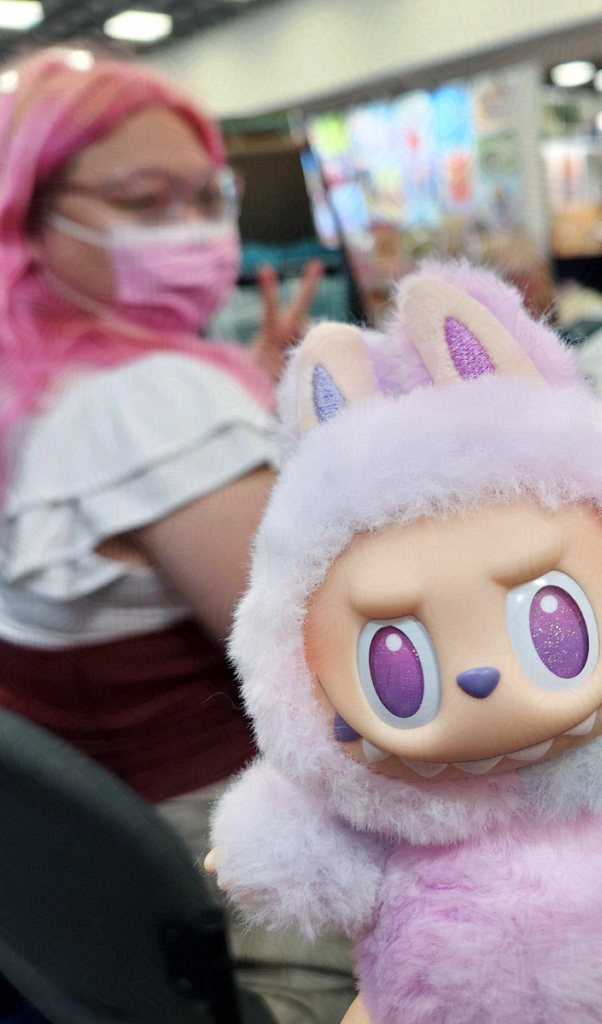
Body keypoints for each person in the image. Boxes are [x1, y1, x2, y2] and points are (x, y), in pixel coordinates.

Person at [0, 46, 354, 1024]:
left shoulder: (39, 387)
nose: (193, 229)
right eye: (144, 200)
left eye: (206, 196)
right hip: (250, 887)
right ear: (26, 214)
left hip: (90, 912)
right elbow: (354, 664)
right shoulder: (155, 403)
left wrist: (249, 406)